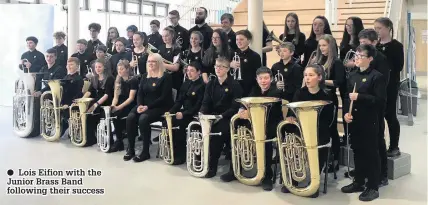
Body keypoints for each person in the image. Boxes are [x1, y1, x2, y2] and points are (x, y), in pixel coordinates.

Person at [220, 67, 281, 191]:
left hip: (271, 123)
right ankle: (235, 170)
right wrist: (242, 110)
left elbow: (272, 112)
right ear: (256, 79)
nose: (263, 81)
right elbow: (245, 102)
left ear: (271, 79)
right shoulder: (255, 89)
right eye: (260, 78)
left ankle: (267, 176)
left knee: (266, 140)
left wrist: (250, 113)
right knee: (238, 134)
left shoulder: (276, 92)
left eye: (266, 78)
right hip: (255, 123)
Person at [280, 64, 335, 198]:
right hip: (300, 129)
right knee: (291, 140)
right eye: (306, 75)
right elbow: (292, 112)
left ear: (320, 77)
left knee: (320, 143)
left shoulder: (328, 94)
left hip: (320, 130)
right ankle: (293, 179)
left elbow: (329, 119)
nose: (307, 78)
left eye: (311, 75)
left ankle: (314, 183)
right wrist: (291, 117)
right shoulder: (300, 93)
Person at [341, 44, 386, 202]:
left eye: (361, 56)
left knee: (371, 153)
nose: (357, 59)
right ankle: (359, 181)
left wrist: (360, 97)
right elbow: (347, 97)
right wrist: (346, 113)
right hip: (355, 120)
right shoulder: (352, 75)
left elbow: (380, 101)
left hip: (370, 121)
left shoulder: (377, 76)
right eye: (356, 56)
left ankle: (373, 186)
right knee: (357, 150)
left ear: (370, 59)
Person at [124, 53, 173, 162]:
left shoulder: (166, 77)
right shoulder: (145, 76)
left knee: (143, 119)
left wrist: (147, 107)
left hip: (160, 106)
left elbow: (164, 97)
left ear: (159, 63)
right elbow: (140, 93)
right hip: (144, 105)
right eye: (149, 61)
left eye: (153, 61)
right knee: (131, 117)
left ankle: (145, 151)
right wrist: (140, 105)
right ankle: (130, 149)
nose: (150, 64)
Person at [199, 56, 243, 178]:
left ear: (227, 69)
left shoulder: (235, 85)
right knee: (199, 129)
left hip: (229, 117)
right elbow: (206, 102)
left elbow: (235, 106)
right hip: (213, 116)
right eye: (216, 66)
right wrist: (202, 113)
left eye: (221, 67)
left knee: (217, 133)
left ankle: (226, 170)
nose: (218, 69)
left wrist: (221, 116)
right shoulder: (211, 84)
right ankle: (207, 165)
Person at [308, 34, 345, 172]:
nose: (322, 48)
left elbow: (338, 82)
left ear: (331, 46)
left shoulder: (336, 62)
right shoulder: (316, 60)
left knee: (331, 129)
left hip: (328, 98)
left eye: (324, 45)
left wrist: (321, 81)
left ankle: (334, 160)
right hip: (314, 97)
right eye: (320, 45)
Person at [165, 61, 205, 165]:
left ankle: (184, 155)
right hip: (185, 112)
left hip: (195, 114)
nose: (189, 73)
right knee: (168, 122)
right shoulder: (185, 83)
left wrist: (184, 114)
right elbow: (179, 101)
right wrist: (171, 112)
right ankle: (173, 152)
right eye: (187, 71)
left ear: (199, 72)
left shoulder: (203, 85)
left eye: (192, 71)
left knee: (179, 125)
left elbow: (198, 105)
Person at [374, 17, 404, 158]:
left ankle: (394, 146)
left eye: (379, 28)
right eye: (375, 28)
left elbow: (398, 67)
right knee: (378, 116)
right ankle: (379, 145)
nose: (377, 31)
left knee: (390, 115)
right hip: (377, 85)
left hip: (391, 85)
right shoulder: (375, 46)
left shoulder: (396, 46)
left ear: (388, 28)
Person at [82, 59, 115, 147]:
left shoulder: (110, 78)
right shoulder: (94, 78)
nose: (97, 69)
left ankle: (109, 141)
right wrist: (81, 100)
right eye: (96, 67)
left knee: (102, 117)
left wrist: (96, 105)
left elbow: (107, 95)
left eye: (99, 67)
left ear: (104, 67)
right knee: (88, 116)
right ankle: (91, 139)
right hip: (97, 101)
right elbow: (89, 92)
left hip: (106, 103)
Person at [109, 60, 139, 152]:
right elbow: (116, 97)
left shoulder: (133, 80)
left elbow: (131, 98)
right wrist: (113, 106)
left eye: (122, 69)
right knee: (113, 113)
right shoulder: (118, 80)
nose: (119, 71)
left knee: (119, 113)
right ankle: (119, 141)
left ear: (127, 69)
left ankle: (126, 140)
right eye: (118, 69)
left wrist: (118, 107)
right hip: (121, 102)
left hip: (131, 103)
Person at [230, 29, 262, 97]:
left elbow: (258, 75)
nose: (238, 42)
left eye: (241, 39)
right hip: (234, 88)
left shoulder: (255, 56)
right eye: (237, 39)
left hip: (248, 90)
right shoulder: (232, 54)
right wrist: (230, 65)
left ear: (249, 41)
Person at [60, 57, 84, 136]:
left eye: (71, 65)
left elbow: (79, 94)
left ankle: (68, 127)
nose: (69, 66)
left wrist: (69, 104)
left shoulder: (79, 78)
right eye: (68, 65)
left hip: (72, 103)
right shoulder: (65, 78)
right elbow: (63, 93)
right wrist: (61, 102)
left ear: (77, 67)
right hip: (64, 103)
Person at [158, 27, 182, 92]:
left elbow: (176, 67)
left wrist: (161, 64)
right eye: (163, 36)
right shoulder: (160, 47)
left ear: (172, 36)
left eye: (166, 36)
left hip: (173, 79)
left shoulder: (177, 49)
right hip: (162, 77)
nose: (164, 38)